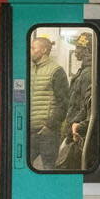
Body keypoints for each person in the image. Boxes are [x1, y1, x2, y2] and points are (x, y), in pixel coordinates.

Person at [28, 37, 69, 169]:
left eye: (33, 48)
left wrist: (50, 125)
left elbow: (63, 103)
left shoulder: (56, 71)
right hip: (30, 131)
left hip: (48, 132)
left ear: (44, 50)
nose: (30, 51)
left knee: (49, 167)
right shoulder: (29, 69)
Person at [59, 33, 95, 169]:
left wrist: (75, 126)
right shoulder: (84, 70)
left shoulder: (88, 73)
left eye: (78, 48)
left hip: (78, 130)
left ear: (87, 50)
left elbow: (84, 105)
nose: (75, 51)